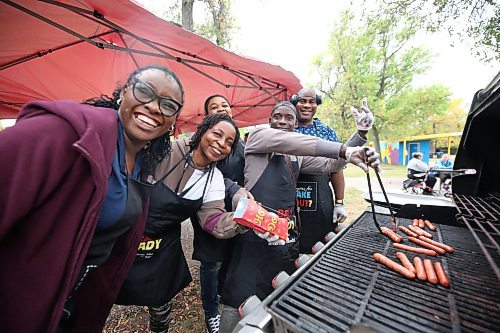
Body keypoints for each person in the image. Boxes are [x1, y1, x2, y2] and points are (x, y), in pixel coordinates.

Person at [0, 64, 183, 333]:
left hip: (68, 306)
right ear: (123, 94)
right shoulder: (65, 134)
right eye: (145, 91)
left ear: (172, 122)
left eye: (168, 105)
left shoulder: (144, 163)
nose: (155, 107)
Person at [218, 101, 380, 332]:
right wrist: (344, 149)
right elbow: (293, 141)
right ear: (270, 119)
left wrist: (359, 136)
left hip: (284, 235)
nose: (282, 121)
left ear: (296, 124)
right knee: (239, 295)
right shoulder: (258, 137)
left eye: (288, 118)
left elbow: (330, 164)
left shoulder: (296, 155)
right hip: (255, 233)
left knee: (278, 290)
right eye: (277, 116)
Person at [116, 113, 246, 333]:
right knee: (104, 287)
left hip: (163, 244)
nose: (221, 143)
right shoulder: (168, 150)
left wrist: (243, 219)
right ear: (202, 131)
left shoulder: (213, 179)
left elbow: (213, 221)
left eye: (229, 142)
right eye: (217, 134)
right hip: (125, 232)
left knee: (159, 301)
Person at [292, 89, 374, 253]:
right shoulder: (285, 129)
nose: (307, 105)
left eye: (312, 101)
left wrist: (339, 203)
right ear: (294, 102)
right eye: (302, 101)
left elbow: (337, 169)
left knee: (320, 250)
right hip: (290, 201)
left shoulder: (327, 132)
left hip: (321, 201)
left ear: (317, 104)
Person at [191, 94, 246, 333]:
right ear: (207, 117)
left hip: (236, 209)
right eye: (214, 107)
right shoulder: (200, 142)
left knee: (232, 257)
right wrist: (233, 188)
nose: (221, 109)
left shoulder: (242, 144)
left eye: (225, 105)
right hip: (207, 209)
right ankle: (211, 311)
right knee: (211, 262)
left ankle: (225, 296)